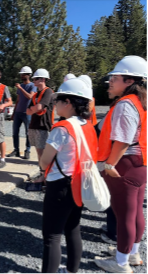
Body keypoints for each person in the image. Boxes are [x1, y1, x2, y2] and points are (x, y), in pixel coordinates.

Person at [95, 56, 147, 274]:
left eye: (114, 78)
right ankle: (132, 253)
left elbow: (123, 139)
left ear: (129, 81)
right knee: (134, 212)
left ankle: (121, 263)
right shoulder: (140, 102)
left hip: (124, 164)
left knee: (123, 213)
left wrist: (109, 165)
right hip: (140, 163)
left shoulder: (126, 104)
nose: (110, 82)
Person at [40, 77, 98, 274]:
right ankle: (72, 271)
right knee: (73, 228)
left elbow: (44, 161)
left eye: (58, 101)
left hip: (60, 185)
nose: (55, 105)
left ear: (69, 103)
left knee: (52, 236)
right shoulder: (88, 125)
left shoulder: (62, 128)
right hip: (80, 183)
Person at [27, 69, 54, 184]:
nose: (33, 80)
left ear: (43, 79)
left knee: (42, 153)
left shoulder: (48, 92)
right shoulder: (36, 95)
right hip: (34, 125)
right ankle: (43, 174)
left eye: (36, 79)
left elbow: (38, 108)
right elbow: (28, 111)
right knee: (39, 152)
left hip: (43, 126)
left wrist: (35, 108)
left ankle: (45, 176)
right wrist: (35, 108)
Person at [8, 66, 37, 159]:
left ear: (29, 75)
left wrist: (20, 88)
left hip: (27, 113)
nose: (22, 76)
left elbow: (30, 97)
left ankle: (27, 151)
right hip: (18, 112)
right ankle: (16, 150)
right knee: (15, 132)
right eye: (21, 74)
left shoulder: (32, 85)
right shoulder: (20, 86)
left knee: (28, 133)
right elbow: (18, 100)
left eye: (24, 74)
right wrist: (14, 112)